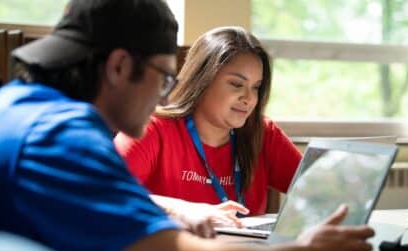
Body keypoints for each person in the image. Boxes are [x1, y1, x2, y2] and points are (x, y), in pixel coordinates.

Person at [0, 0, 374, 251]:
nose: (165, 93)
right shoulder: (62, 138)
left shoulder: (5, 106)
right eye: (165, 76)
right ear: (119, 67)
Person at [114, 26, 301, 225]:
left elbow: (322, 193)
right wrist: (182, 210)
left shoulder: (263, 133)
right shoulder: (151, 128)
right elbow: (103, 189)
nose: (249, 98)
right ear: (202, 81)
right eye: (237, 84)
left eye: (255, 87)